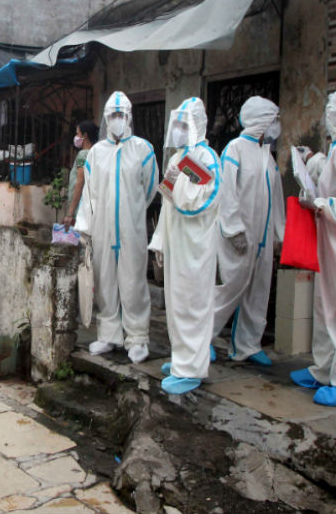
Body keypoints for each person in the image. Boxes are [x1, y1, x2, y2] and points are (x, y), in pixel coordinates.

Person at [74, 91, 158, 363]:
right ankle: (108, 334)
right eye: (113, 115)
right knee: (105, 280)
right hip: (103, 228)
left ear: (129, 117)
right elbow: (90, 193)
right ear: (106, 118)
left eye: (121, 115)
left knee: (134, 281)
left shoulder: (143, 149)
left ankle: (137, 337)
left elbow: (150, 188)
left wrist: (132, 210)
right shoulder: (96, 153)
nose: (117, 120)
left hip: (132, 228)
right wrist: (86, 227)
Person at [290, 86, 336, 406]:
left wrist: (317, 203)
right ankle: (324, 369)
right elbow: (332, 177)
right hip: (332, 244)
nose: (326, 117)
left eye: (330, 111)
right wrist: (312, 161)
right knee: (326, 306)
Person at [148, 97, 221, 395]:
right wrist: (160, 242)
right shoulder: (178, 158)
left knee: (193, 304)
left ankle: (192, 369)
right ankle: (182, 359)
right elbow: (167, 201)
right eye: (175, 124)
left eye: (183, 124)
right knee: (177, 304)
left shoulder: (206, 157)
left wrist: (179, 182)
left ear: (196, 125)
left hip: (196, 246)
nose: (177, 129)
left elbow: (202, 199)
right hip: (177, 242)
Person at [212, 96, 285, 366]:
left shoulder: (267, 155)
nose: (276, 125)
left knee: (258, 291)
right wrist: (234, 230)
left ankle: (248, 345)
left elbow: (276, 199)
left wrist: (278, 235)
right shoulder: (235, 149)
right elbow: (226, 192)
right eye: (273, 120)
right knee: (230, 288)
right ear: (261, 120)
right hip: (239, 237)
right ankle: (202, 338)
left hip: (262, 238)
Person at [63, 120, 99, 230]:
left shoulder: (83, 155)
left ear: (85, 135)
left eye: (78, 134)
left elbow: (79, 183)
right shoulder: (97, 153)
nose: (76, 137)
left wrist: (70, 213)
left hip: (82, 207)